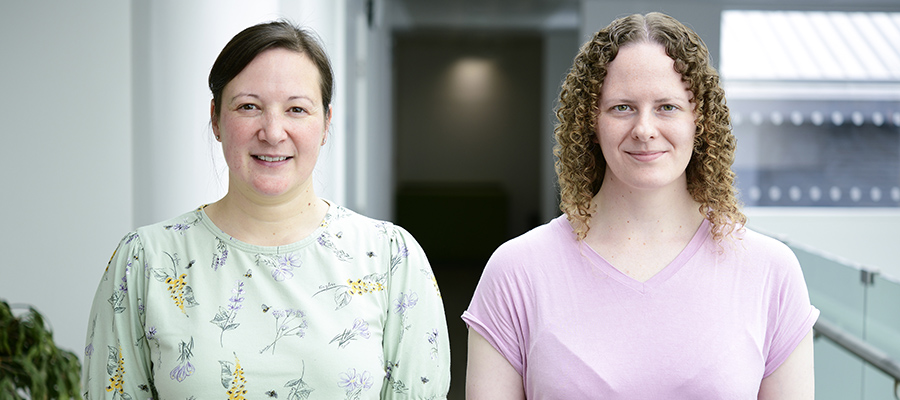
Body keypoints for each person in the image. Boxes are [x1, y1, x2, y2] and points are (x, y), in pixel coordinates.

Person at [82, 20, 450, 399]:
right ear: (216, 120)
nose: (273, 132)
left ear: (326, 123)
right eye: (249, 106)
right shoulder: (146, 261)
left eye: (296, 109)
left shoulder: (390, 259)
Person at [462, 12, 818, 399]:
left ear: (700, 122)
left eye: (667, 107)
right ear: (590, 124)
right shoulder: (516, 271)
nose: (645, 129)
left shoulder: (771, 272)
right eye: (622, 107)